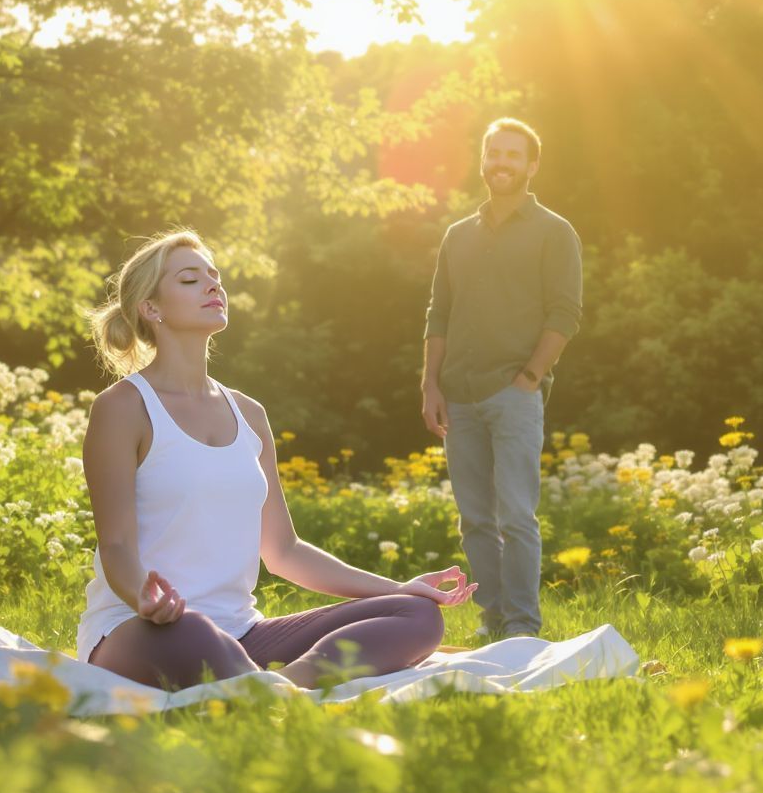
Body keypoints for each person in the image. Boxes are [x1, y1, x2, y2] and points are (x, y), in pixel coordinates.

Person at [77, 228, 476, 691]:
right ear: (151, 308)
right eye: (190, 279)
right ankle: (259, 686)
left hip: (243, 634)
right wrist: (142, 597)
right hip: (140, 629)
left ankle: (283, 686)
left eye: (215, 276)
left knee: (415, 615)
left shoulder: (249, 413)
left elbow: (284, 551)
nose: (213, 285)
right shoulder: (122, 407)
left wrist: (398, 587)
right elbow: (117, 547)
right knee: (194, 633)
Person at [420, 118, 583, 640]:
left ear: (532, 165)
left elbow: (565, 314)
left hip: (513, 394)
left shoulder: (554, 232)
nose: (502, 162)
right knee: (475, 522)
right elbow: (438, 314)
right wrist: (430, 385)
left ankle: (522, 626)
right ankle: (493, 623)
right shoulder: (457, 235)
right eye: (494, 153)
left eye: (513, 154)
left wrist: (531, 376)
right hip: (458, 395)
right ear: (483, 159)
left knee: (516, 517)